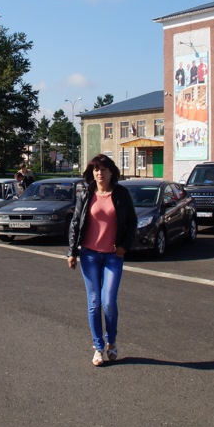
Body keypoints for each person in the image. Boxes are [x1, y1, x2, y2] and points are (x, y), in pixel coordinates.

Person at [67, 154, 137, 366]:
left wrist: (125, 246)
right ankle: (98, 347)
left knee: (108, 302)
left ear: (111, 172)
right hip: (89, 255)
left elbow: (132, 222)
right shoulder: (87, 194)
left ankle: (112, 342)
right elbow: (76, 222)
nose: (99, 173)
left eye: (103, 169)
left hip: (113, 256)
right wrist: (72, 251)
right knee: (94, 303)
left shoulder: (121, 194)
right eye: (96, 169)